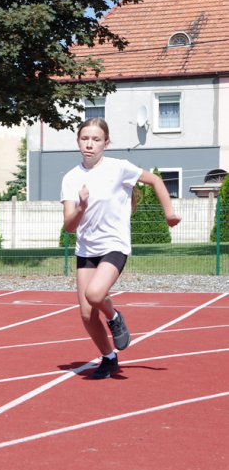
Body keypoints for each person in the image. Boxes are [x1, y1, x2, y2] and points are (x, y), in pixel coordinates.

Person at [61, 117, 181, 379]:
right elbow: (69, 227)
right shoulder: (71, 178)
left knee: (95, 295)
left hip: (114, 244)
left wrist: (169, 214)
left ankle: (114, 316)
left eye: (96, 139)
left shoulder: (119, 168)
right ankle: (108, 357)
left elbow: (157, 181)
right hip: (86, 250)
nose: (89, 144)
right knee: (85, 313)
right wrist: (81, 206)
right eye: (84, 138)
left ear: (106, 143)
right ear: (78, 141)